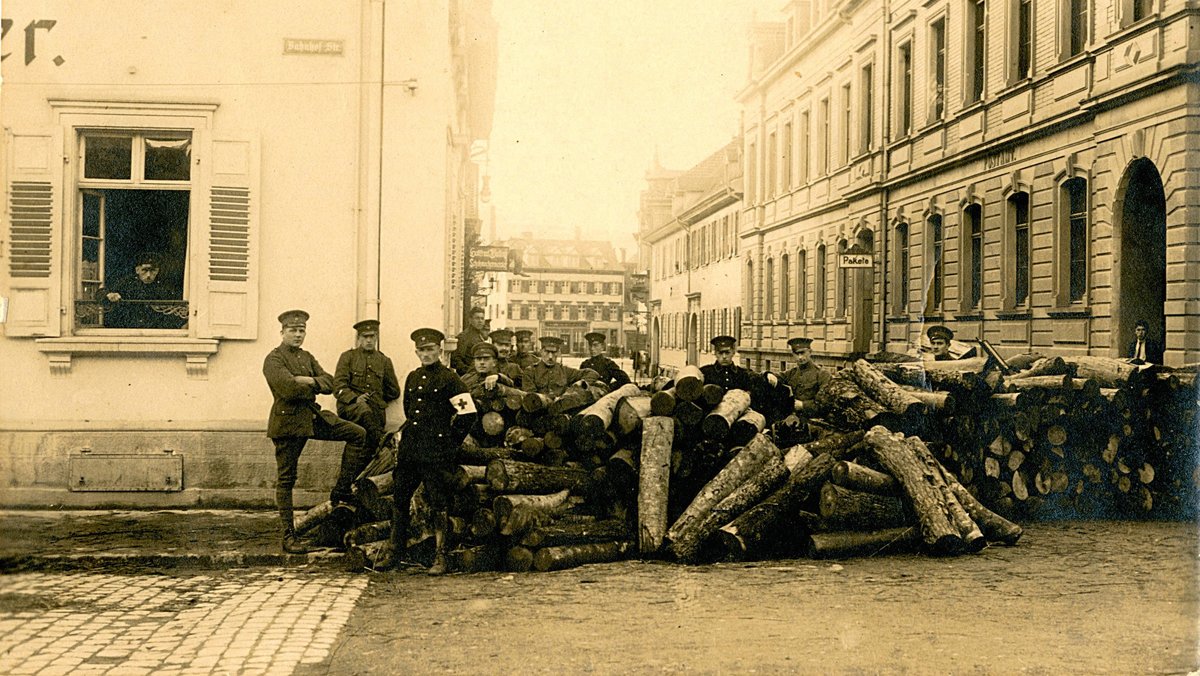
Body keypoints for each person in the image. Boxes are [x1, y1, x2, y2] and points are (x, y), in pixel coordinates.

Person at [262, 310, 367, 554]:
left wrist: (307, 380)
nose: (298, 335)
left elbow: (329, 383)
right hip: (287, 423)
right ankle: (288, 536)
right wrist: (310, 383)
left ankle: (341, 490)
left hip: (312, 417)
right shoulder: (273, 359)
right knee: (286, 479)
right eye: (292, 330)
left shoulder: (307, 357)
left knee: (357, 434)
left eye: (301, 331)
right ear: (282, 332)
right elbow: (287, 389)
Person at [391, 328, 477, 574]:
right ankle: (395, 551)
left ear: (439, 350)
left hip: (435, 452)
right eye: (421, 350)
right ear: (416, 351)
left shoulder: (450, 379)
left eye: (430, 349)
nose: (425, 354)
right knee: (399, 497)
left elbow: (468, 413)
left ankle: (441, 556)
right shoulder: (413, 377)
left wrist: (450, 442)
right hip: (411, 449)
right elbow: (410, 410)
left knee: (438, 501)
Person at [333, 319, 401, 471]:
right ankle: (380, 443)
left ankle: (356, 483)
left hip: (374, 413)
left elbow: (394, 390)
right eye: (365, 337)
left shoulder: (384, 361)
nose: (369, 340)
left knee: (366, 448)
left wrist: (376, 398)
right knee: (366, 422)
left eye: (372, 336)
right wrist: (355, 398)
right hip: (351, 409)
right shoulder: (348, 357)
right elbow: (338, 386)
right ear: (358, 338)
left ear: (377, 337)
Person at [96, 252, 186, 329]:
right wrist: (109, 295)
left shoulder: (165, 287)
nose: (148, 275)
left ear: (157, 271)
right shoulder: (127, 283)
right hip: (130, 332)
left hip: (156, 333)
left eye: (152, 271)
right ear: (137, 270)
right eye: (144, 270)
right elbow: (100, 293)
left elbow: (178, 309)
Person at [521, 336, 600, 397]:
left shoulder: (565, 371)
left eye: (554, 352)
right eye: (547, 352)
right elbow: (531, 398)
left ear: (558, 352)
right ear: (541, 352)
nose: (550, 356)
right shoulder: (530, 371)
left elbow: (592, 374)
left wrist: (577, 387)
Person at [781, 337, 830, 415]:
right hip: (793, 418)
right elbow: (776, 376)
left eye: (803, 353)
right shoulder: (791, 373)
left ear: (810, 352)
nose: (800, 357)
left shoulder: (822, 374)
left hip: (813, 420)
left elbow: (825, 403)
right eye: (797, 354)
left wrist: (803, 405)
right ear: (793, 355)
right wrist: (768, 374)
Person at [451, 307, 489, 374]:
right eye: (477, 318)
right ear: (470, 320)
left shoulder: (480, 335)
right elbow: (455, 360)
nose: (480, 321)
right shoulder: (464, 337)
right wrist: (469, 372)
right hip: (468, 376)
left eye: (482, 318)